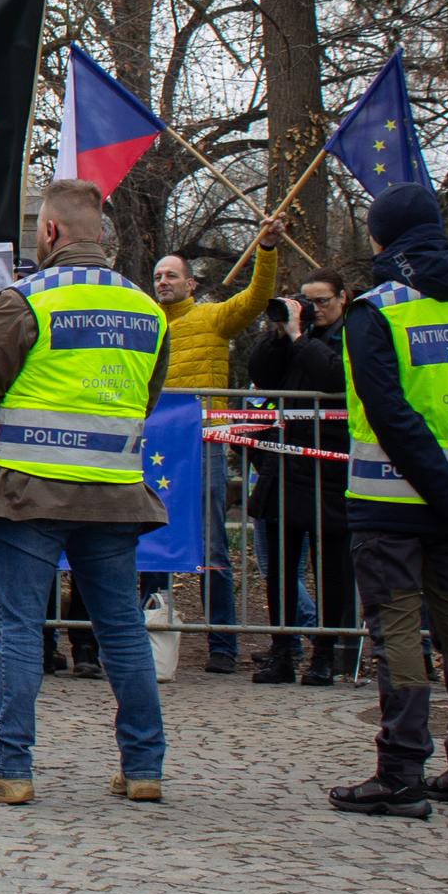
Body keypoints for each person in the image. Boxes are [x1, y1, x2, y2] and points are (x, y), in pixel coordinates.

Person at [0, 178, 173, 806]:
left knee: (18, 626)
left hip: (29, 491)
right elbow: (146, 397)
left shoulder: (25, 300)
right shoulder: (147, 308)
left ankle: (7, 766)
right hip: (115, 491)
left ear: (50, 232)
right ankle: (144, 766)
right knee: (122, 627)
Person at [326, 184, 448, 816]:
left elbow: (388, 412)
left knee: (399, 629)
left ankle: (401, 770)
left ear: (382, 238)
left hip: (393, 501)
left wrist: (442, 490)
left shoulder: (375, 311)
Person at [154, 223, 284, 672]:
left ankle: (223, 645)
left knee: (210, 546)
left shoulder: (212, 319)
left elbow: (254, 299)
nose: (163, 282)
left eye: (171, 275)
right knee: (151, 541)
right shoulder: (147, 325)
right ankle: (147, 635)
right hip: (158, 451)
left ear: (190, 283)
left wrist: (265, 250)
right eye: (158, 277)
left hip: (205, 446)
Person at [241, 273, 353, 686]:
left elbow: (333, 378)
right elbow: (263, 376)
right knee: (282, 566)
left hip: (330, 461)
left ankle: (324, 653)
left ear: (343, 299)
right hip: (286, 459)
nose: (313, 308)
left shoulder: (351, 334)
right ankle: (283, 650)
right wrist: (278, 334)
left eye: (321, 301)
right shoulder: (293, 336)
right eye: (306, 300)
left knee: (331, 567)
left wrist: (299, 337)